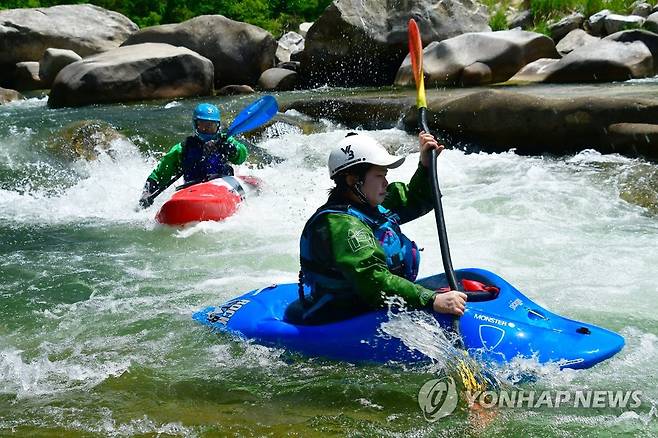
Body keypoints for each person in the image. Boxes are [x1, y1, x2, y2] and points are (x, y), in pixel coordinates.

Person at [293, 132, 467, 324]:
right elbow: (374, 281)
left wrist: (425, 166)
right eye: (379, 176)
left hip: (371, 305)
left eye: (385, 175)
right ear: (353, 180)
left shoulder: (370, 206)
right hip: (345, 316)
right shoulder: (343, 226)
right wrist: (431, 299)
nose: (385, 183)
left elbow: (416, 199)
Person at [138, 103, 250, 208]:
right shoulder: (182, 149)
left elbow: (242, 156)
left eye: (211, 126)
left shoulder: (225, 141)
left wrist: (232, 149)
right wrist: (147, 193)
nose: (207, 130)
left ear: (218, 126)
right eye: (203, 126)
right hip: (194, 190)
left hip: (223, 185)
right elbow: (159, 175)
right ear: (195, 125)